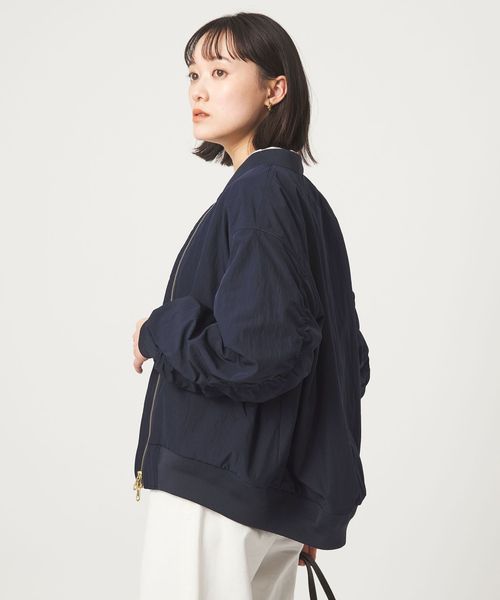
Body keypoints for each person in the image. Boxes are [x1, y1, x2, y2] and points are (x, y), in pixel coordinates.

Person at [132, 12, 370, 600]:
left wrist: (157, 331)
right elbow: (345, 362)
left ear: (274, 88)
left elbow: (260, 351)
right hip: (261, 497)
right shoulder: (299, 199)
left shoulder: (261, 193)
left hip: (213, 493)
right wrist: (303, 497)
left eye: (219, 71)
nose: (199, 89)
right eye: (193, 74)